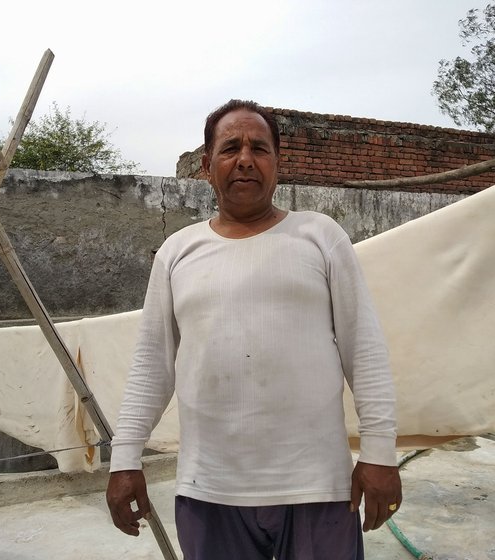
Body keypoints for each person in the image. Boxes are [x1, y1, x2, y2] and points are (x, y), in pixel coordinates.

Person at [106, 99, 401, 560]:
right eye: (230, 148)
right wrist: (124, 461)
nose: (245, 159)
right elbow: (151, 366)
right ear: (207, 166)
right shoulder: (177, 251)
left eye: (259, 148)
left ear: (277, 163)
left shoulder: (320, 236)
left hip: (316, 488)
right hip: (211, 490)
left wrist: (380, 453)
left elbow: (363, 349)